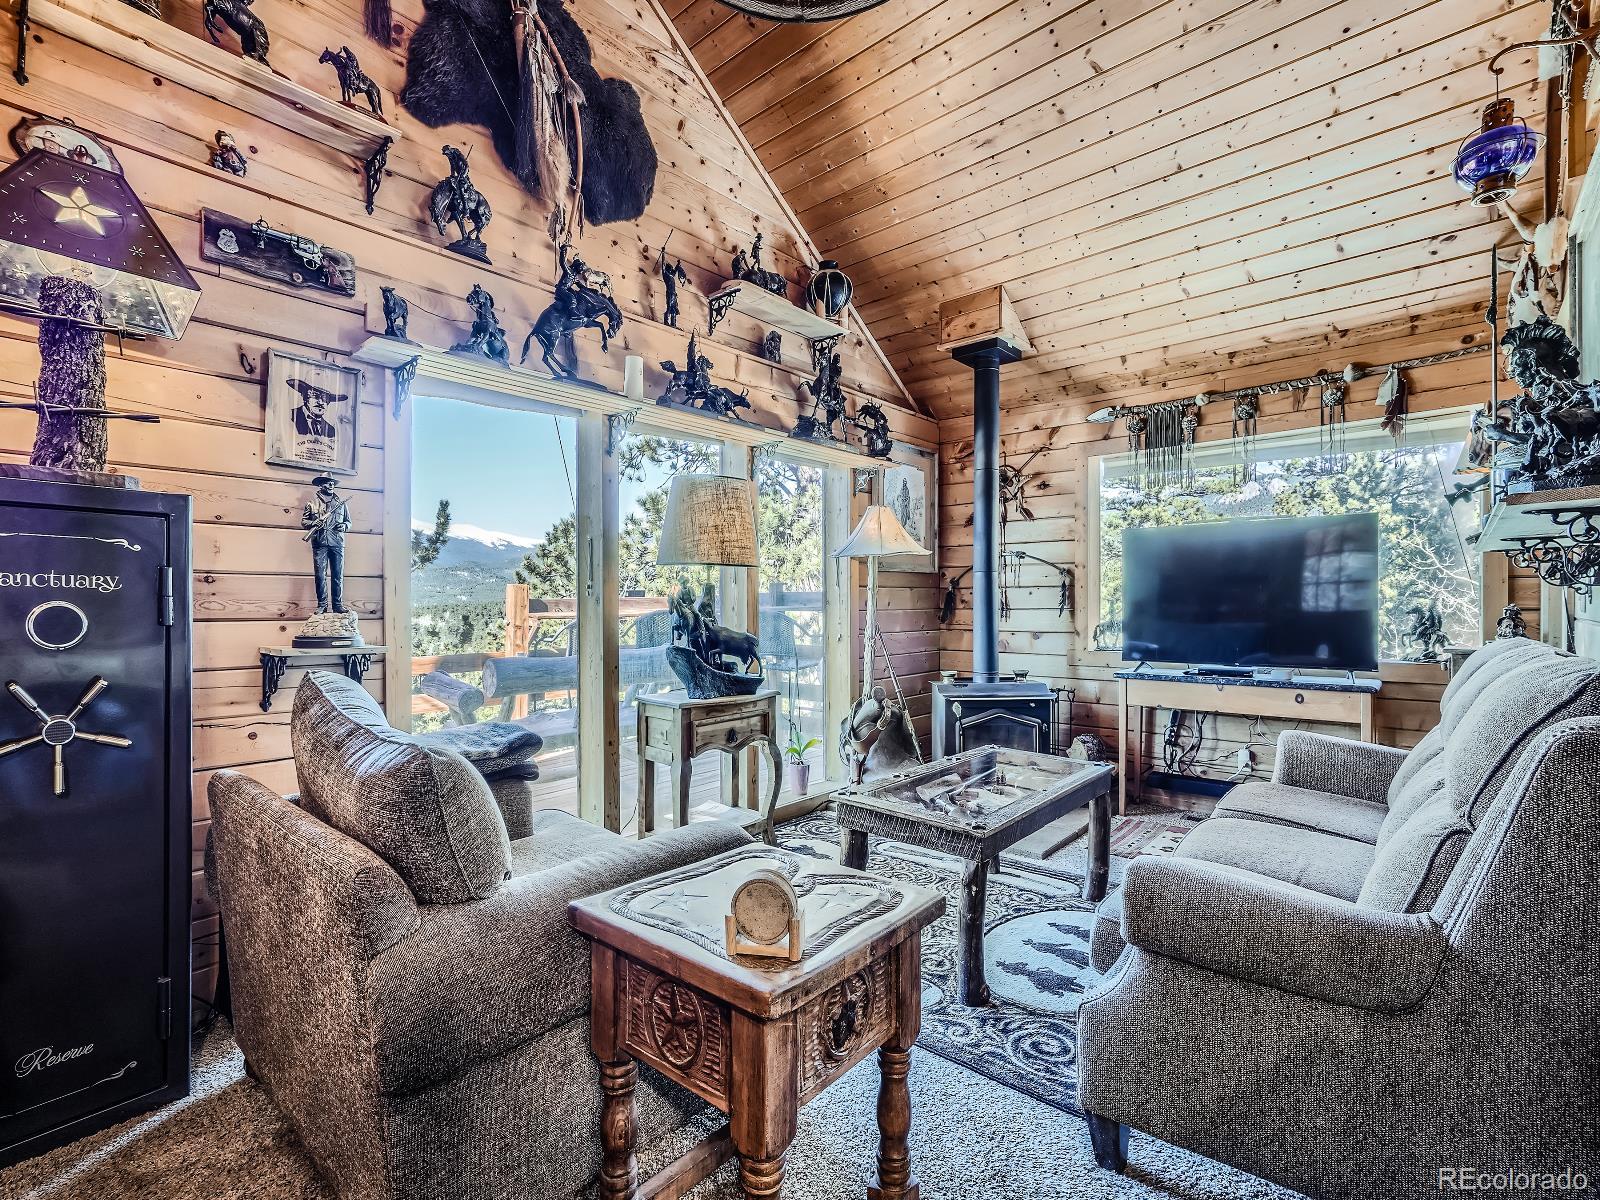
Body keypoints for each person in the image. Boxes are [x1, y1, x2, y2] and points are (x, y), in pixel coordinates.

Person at [301, 475, 351, 614]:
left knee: (337, 575)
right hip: (320, 542)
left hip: (337, 543)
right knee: (320, 576)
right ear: (321, 485)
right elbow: (304, 522)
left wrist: (344, 526)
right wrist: (313, 523)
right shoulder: (311, 504)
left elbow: (348, 522)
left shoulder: (341, 504)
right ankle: (322, 605)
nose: (331, 485)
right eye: (328, 483)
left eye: (332, 483)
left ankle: (338, 605)